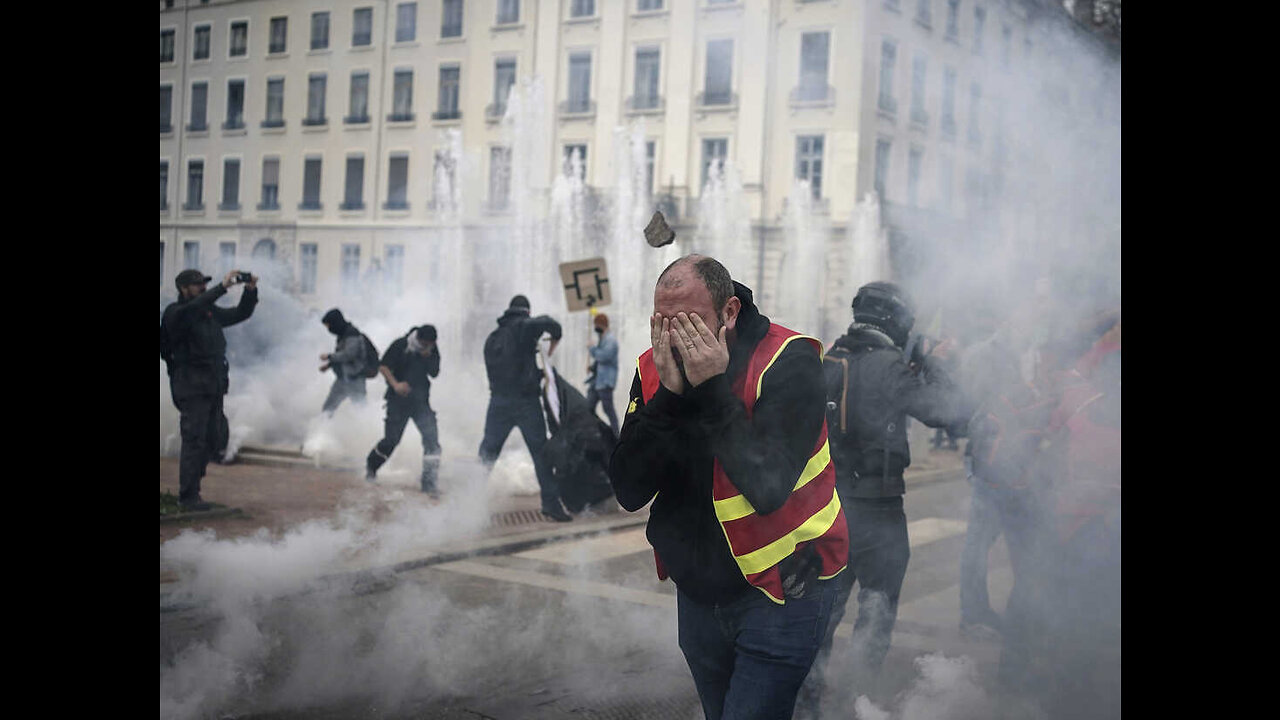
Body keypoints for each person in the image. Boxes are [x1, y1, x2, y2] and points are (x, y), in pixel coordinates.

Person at [609, 255, 849, 720]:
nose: (677, 337)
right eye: (664, 322)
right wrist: (671, 401)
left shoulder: (788, 359)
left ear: (730, 312)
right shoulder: (653, 365)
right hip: (699, 596)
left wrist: (713, 389)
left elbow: (766, 485)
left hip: (783, 590)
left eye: (691, 322)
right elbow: (628, 488)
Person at [800, 281, 967, 710]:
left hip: (828, 510)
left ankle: (808, 700)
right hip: (878, 511)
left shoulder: (828, 360)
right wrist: (932, 361)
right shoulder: (891, 366)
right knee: (875, 615)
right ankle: (857, 701)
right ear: (895, 319)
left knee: (824, 614)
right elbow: (952, 413)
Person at [160, 268, 259, 511]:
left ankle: (194, 488)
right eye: (197, 285)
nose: (202, 288)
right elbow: (193, 309)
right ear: (184, 289)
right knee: (194, 439)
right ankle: (188, 496)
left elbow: (239, 314)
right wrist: (222, 287)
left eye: (204, 284)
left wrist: (250, 291)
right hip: (191, 386)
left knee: (216, 437)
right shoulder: (177, 313)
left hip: (212, 385)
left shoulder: (207, 312)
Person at [479, 295, 570, 521]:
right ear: (526, 312)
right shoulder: (523, 327)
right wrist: (555, 339)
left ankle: (466, 502)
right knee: (541, 455)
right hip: (525, 404)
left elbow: (510, 369)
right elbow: (549, 322)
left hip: (498, 403)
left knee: (487, 455)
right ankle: (551, 504)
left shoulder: (492, 338)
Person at [366, 325, 442, 496]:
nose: (426, 346)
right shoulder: (401, 345)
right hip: (398, 401)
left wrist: (428, 357)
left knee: (432, 442)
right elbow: (383, 366)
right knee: (391, 440)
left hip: (421, 402)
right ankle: (371, 466)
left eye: (430, 344)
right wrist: (395, 385)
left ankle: (429, 482)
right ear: (418, 338)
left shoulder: (432, 350)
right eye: (424, 343)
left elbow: (435, 372)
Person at [319, 308, 370, 415]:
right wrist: (329, 365)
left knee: (360, 410)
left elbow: (349, 355)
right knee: (328, 408)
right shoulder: (343, 335)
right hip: (343, 378)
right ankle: (321, 430)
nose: (329, 329)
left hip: (355, 379)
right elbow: (342, 356)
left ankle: (367, 429)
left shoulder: (352, 334)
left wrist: (329, 357)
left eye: (329, 325)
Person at [585, 312, 620, 438]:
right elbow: (600, 362)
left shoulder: (611, 341)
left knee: (608, 409)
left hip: (605, 382)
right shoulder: (603, 339)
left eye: (596, 325)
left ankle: (616, 436)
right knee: (588, 408)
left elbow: (604, 357)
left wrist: (592, 348)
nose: (595, 328)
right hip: (597, 382)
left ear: (601, 325)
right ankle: (597, 432)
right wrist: (592, 368)